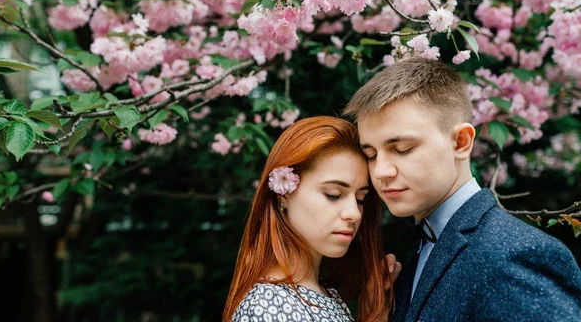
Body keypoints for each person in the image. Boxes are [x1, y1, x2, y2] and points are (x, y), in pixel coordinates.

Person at [343, 57, 581, 322]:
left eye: (402, 149)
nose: (381, 171)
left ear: (460, 142)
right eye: (371, 154)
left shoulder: (514, 255)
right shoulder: (418, 256)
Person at [223, 116, 395, 322]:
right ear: (284, 193)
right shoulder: (269, 305)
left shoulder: (327, 295)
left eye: (360, 199)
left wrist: (376, 310)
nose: (354, 213)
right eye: (333, 194)